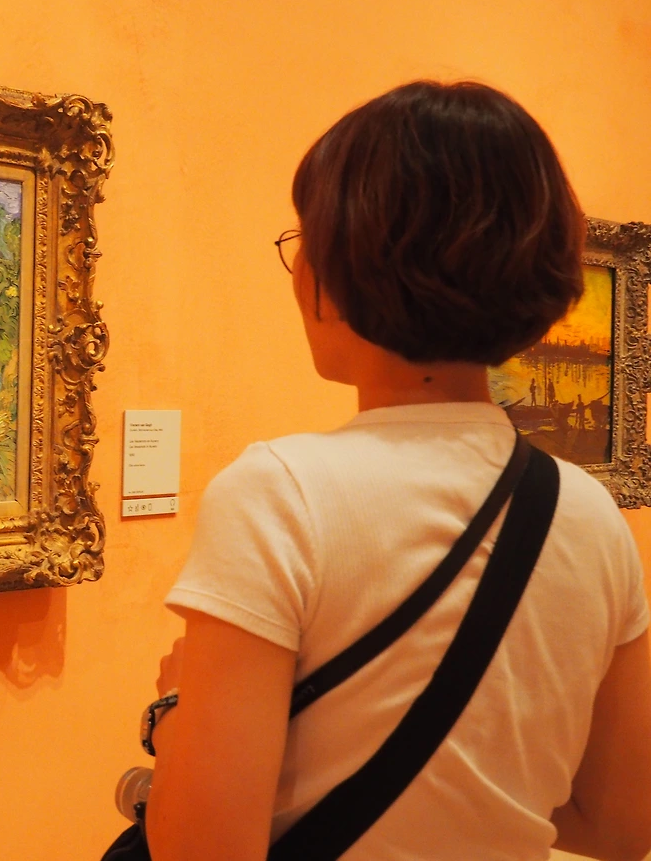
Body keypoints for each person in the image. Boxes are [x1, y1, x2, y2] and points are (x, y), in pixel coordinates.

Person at [144, 82, 651, 861]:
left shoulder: (278, 494)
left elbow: (203, 850)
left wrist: (173, 709)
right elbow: (622, 826)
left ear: (334, 273)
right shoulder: (588, 513)